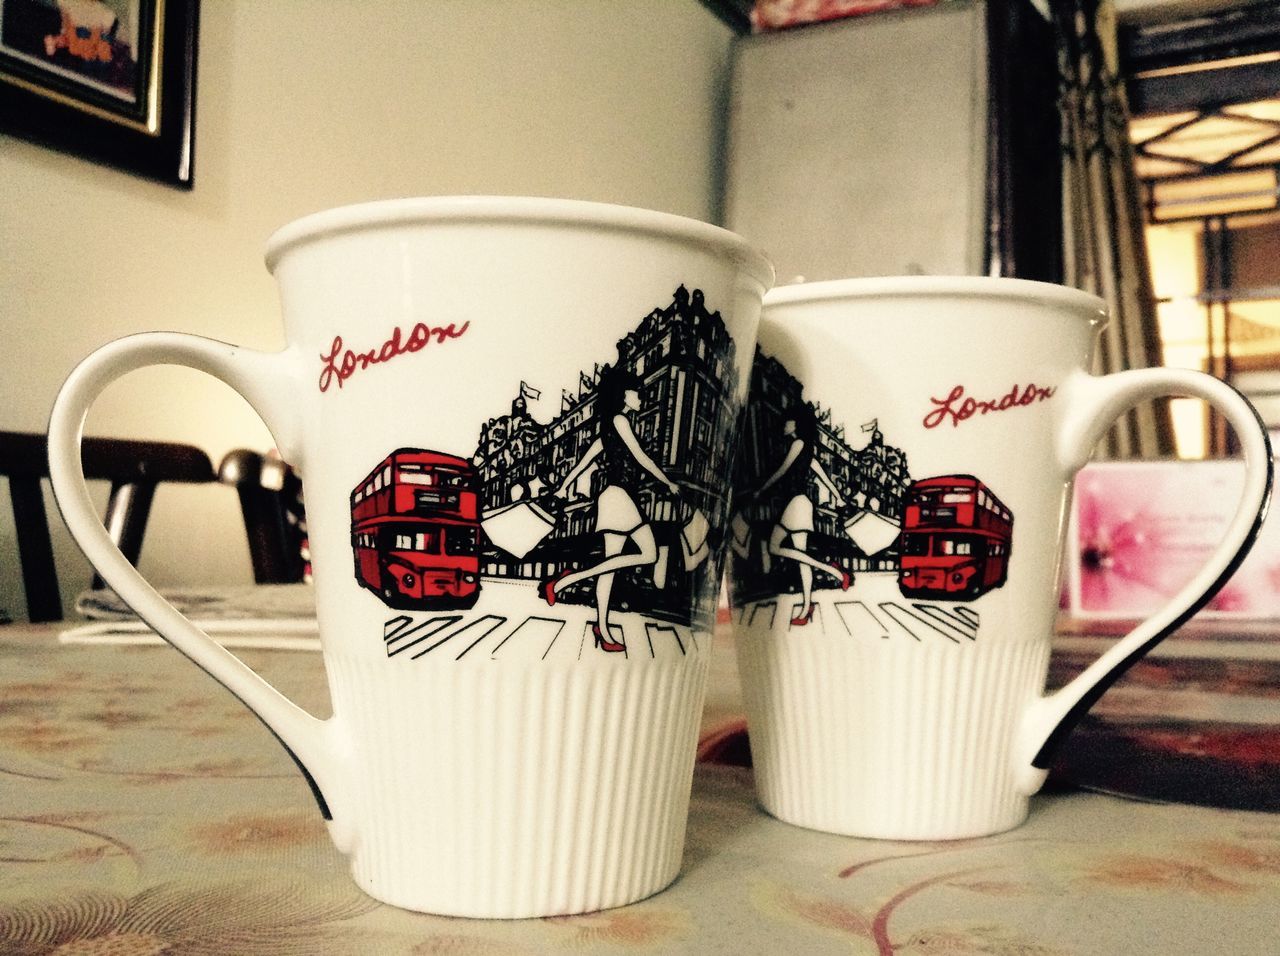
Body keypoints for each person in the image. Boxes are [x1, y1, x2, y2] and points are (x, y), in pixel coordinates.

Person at [543, 365, 680, 652]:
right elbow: (641, 456)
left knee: (609, 569)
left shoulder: (608, 428)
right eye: (636, 393)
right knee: (650, 553)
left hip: (614, 498)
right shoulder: (620, 420)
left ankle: (601, 627)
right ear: (624, 394)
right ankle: (570, 581)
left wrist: (562, 486)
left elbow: (584, 462)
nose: (640, 398)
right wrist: (667, 482)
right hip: (619, 497)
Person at [752, 406, 850, 626]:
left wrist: (762, 489)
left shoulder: (797, 444)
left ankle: (830, 572)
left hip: (796, 503)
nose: (784, 426)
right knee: (801, 559)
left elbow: (782, 470)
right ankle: (808, 606)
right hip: (801, 504)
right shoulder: (808, 451)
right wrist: (838, 497)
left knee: (774, 547)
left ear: (795, 424)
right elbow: (822, 475)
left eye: (788, 422)